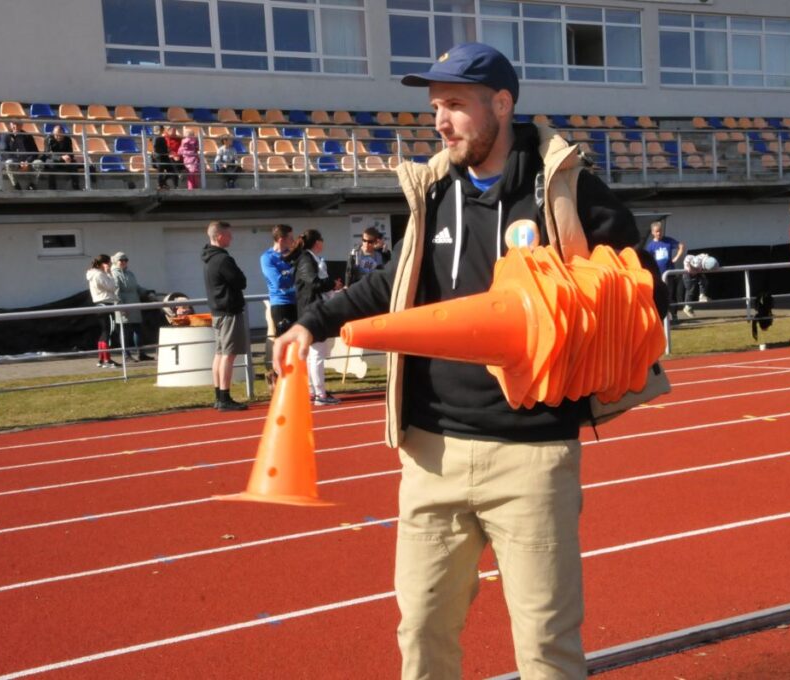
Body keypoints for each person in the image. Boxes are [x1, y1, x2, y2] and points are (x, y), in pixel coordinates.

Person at [272, 42, 638, 678]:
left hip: (532, 454)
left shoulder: (567, 188)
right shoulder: (433, 190)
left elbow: (636, 290)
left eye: (455, 105)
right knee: (421, 630)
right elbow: (392, 282)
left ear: (502, 104)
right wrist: (312, 322)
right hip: (430, 452)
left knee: (547, 644)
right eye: (435, 106)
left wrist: (576, 306)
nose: (440, 121)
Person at [292, 228, 343, 405]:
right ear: (317, 242)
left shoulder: (310, 258)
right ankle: (319, 394)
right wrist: (332, 284)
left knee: (314, 352)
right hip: (312, 310)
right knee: (317, 352)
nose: (323, 243)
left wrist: (331, 284)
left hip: (312, 308)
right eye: (322, 240)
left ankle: (314, 392)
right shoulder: (306, 259)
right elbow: (313, 283)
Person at [202, 220, 249, 411]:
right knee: (228, 355)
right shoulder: (223, 259)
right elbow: (241, 281)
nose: (232, 238)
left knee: (220, 354)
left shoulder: (209, 258)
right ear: (220, 236)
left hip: (217, 311)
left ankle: (219, 396)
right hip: (229, 311)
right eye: (229, 235)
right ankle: (224, 397)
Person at [261, 224, 298, 376]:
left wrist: (290, 275)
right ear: (281, 239)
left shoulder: (295, 254)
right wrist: (293, 275)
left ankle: (296, 374)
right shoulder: (267, 257)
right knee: (283, 341)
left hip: (297, 302)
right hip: (281, 304)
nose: (293, 241)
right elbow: (278, 282)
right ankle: (279, 375)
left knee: (298, 340)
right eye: (290, 238)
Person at [111, 252, 154, 361]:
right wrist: (120, 307)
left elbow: (136, 287)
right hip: (123, 306)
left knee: (138, 330)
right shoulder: (114, 275)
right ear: (115, 261)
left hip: (134, 304)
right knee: (125, 331)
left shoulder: (130, 274)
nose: (124, 262)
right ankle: (126, 354)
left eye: (126, 260)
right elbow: (116, 292)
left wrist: (146, 292)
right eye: (121, 260)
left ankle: (141, 353)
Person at [644, 220, 684, 319]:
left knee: (670, 293)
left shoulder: (668, 241)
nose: (659, 233)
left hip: (669, 273)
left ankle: (674, 315)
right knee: (660, 295)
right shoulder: (651, 246)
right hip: (658, 274)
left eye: (660, 231)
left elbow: (681, 246)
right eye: (657, 231)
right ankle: (661, 315)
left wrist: (676, 258)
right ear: (653, 232)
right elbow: (648, 259)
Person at [86, 254, 120, 368]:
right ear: (104, 264)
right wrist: (109, 273)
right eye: (109, 262)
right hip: (105, 304)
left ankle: (101, 359)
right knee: (108, 332)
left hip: (99, 304)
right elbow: (112, 286)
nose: (110, 265)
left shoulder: (93, 274)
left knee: (104, 332)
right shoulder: (99, 274)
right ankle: (107, 360)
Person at [0, 120, 43, 190]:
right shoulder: (6, 136)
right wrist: (19, 162)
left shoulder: (28, 136)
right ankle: (16, 185)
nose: (16, 126)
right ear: (10, 125)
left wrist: (28, 161)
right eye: (14, 124)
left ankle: (32, 185)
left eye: (18, 124)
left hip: (27, 162)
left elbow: (35, 152)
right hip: (14, 162)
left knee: (39, 163)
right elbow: (4, 152)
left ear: (22, 125)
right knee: (8, 163)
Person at [42, 125, 80, 190]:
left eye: (60, 135)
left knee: (74, 164)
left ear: (63, 133)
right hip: (52, 159)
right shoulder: (48, 139)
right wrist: (61, 157)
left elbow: (71, 153)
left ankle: (76, 186)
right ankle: (52, 187)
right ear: (53, 133)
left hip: (64, 160)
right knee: (51, 164)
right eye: (56, 135)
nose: (58, 137)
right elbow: (48, 154)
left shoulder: (68, 139)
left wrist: (69, 157)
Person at [681, 252, 718, 318]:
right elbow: (691, 269)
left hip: (697, 270)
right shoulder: (688, 263)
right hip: (688, 275)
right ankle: (687, 306)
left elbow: (708, 258)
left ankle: (702, 295)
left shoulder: (704, 258)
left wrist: (700, 270)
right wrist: (692, 269)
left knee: (704, 281)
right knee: (691, 290)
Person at [151, 125, 177, 189]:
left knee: (170, 170)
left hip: (163, 156)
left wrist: (167, 150)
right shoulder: (157, 138)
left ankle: (162, 183)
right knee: (162, 171)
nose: (163, 130)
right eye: (162, 129)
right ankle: (161, 184)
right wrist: (167, 151)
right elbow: (156, 148)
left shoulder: (157, 137)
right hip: (160, 157)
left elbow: (158, 147)